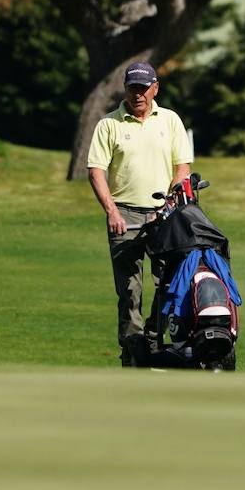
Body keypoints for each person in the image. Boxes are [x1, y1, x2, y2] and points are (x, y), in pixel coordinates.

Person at [86, 60, 193, 365]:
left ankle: (153, 337)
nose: (138, 95)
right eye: (133, 88)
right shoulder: (109, 124)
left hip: (164, 213)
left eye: (144, 89)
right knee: (130, 290)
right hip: (125, 214)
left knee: (168, 283)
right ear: (125, 89)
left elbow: (182, 168)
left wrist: (171, 204)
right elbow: (96, 172)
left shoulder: (170, 120)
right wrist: (111, 211)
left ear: (155, 88)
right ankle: (133, 350)